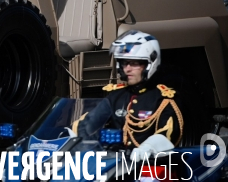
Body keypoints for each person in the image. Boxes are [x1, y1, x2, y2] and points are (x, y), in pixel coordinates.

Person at [73, 30, 183, 161]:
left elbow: (168, 134)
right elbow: (88, 125)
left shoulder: (162, 99)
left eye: (135, 63)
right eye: (125, 63)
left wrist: (148, 147)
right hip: (113, 166)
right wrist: (76, 142)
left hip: (148, 167)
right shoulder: (115, 96)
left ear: (149, 64)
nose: (127, 69)